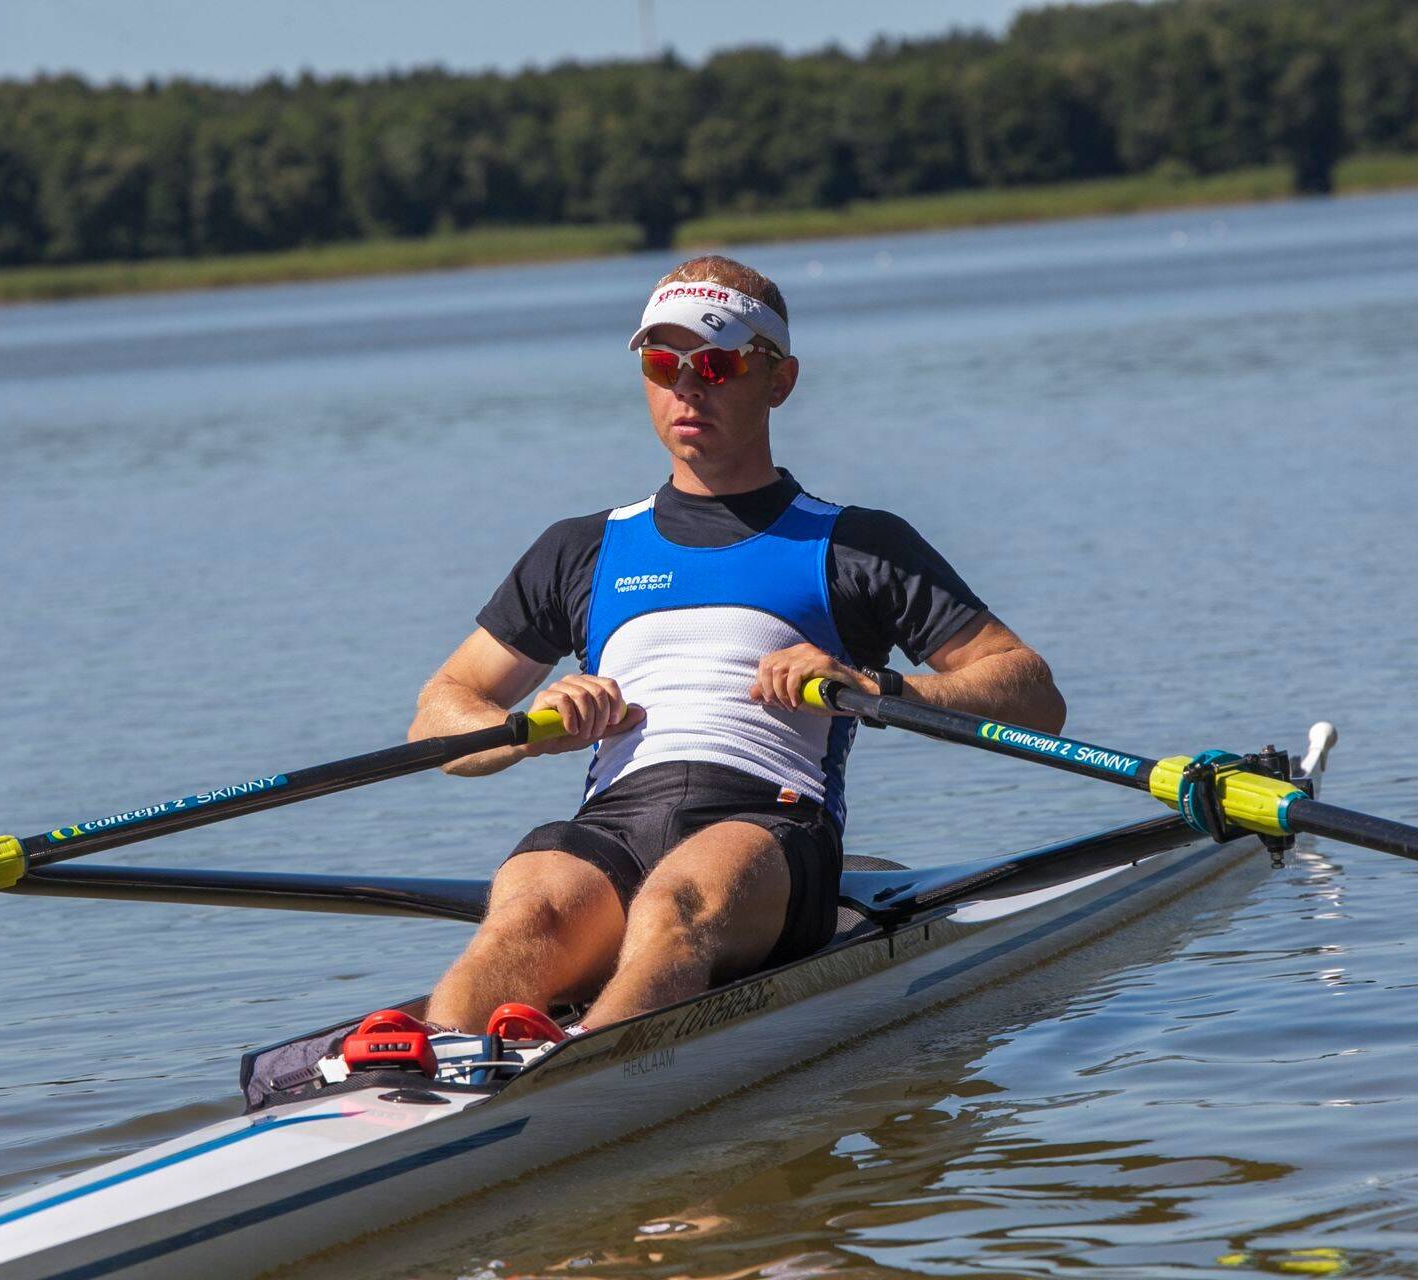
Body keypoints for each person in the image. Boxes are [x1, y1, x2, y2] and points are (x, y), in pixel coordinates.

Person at [408, 255, 1065, 1040]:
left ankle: (583, 1084)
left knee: (673, 907)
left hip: (769, 822)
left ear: (779, 380)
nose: (688, 387)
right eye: (663, 363)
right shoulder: (580, 549)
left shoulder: (857, 545)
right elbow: (438, 720)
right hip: (613, 819)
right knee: (525, 917)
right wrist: (526, 728)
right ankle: (437, 1077)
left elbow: (1032, 694)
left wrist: (873, 687)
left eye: (717, 363)